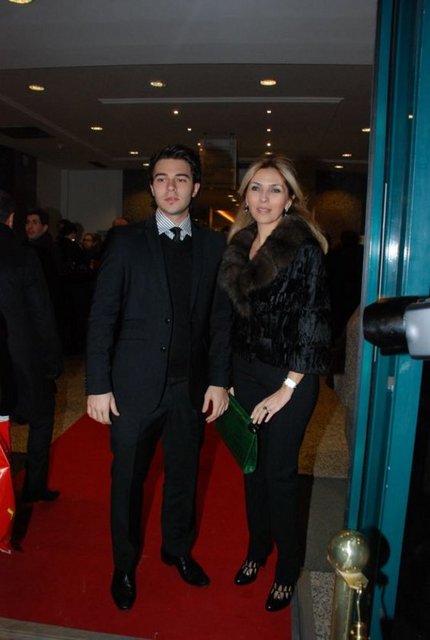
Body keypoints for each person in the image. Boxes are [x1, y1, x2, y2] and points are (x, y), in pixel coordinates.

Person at [86, 144, 231, 611]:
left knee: (184, 477)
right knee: (128, 482)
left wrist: (218, 380)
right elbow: (102, 316)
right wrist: (97, 384)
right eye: (162, 179)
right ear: (151, 187)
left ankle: (177, 550)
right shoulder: (126, 242)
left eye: (181, 178)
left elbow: (221, 320)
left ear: (196, 187)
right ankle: (124, 565)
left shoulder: (213, 245)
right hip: (133, 388)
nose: (171, 187)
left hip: (190, 388)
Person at [218, 156, 331, 612]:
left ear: (290, 199)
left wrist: (287, 388)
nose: (263, 198)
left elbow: (313, 322)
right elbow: (230, 321)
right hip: (245, 372)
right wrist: (226, 377)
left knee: (280, 474)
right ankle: (257, 549)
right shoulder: (238, 244)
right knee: (252, 467)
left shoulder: (304, 249)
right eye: (256, 188)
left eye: (274, 189)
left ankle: (287, 569)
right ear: (245, 196)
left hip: (289, 375)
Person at [0, 190, 63, 503]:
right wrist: (52, 362)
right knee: (41, 417)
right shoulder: (23, 256)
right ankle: (33, 488)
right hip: (21, 358)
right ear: (11, 218)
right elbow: (41, 314)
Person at [24, 208, 62, 321]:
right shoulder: (23, 248)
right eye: (27, 222)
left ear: (44, 227)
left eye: (35, 222)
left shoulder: (50, 250)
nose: (29, 226)